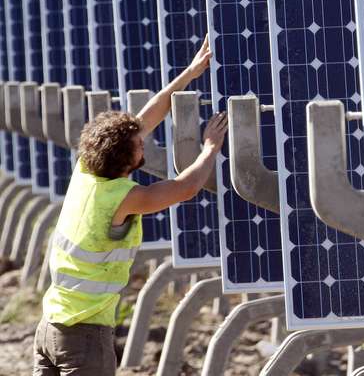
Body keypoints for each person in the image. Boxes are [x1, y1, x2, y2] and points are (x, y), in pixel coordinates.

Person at [32, 36, 226, 375]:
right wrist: (210, 147)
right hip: (83, 336)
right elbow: (185, 188)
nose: (144, 143)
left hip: (49, 327)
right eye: (139, 145)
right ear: (125, 157)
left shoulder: (85, 171)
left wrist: (190, 74)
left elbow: (143, 120)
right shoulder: (123, 197)